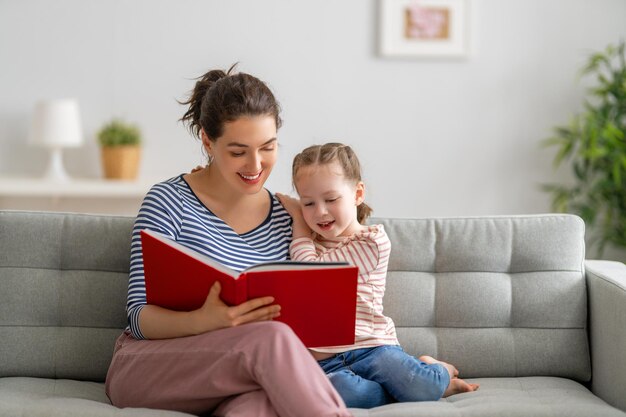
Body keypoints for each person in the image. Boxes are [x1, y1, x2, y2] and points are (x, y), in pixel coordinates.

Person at [104, 66, 352, 417]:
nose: (256, 164)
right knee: (270, 340)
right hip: (149, 366)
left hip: (242, 374)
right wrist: (206, 321)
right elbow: (138, 318)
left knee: (260, 406)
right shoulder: (168, 202)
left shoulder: (289, 217)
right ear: (208, 141)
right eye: (238, 151)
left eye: (267, 147)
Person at [276, 143, 479, 409]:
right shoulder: (308, 244)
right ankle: (396, 390)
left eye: (331, 199)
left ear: (357, 193)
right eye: (308, 203)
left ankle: (436, 371)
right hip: (326, 361)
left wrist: (299, 222)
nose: (320, 212)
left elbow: (313, 274)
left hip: (374, 349)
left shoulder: (371, 242)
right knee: (339, 391)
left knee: (420, 386)